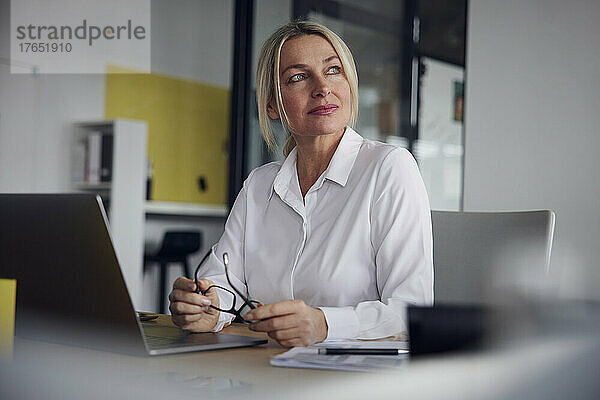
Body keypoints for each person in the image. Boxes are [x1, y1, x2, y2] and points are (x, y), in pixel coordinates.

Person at [168, 20, 433, 348]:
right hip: (267, 372)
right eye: (298, 77)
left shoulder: (389, 168)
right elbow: (221, 285)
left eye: (333, 70)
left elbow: (411, 312)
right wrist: (205, 308)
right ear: (272, 105)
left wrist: (324, 324)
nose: (322, 87)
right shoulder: (260, 185)